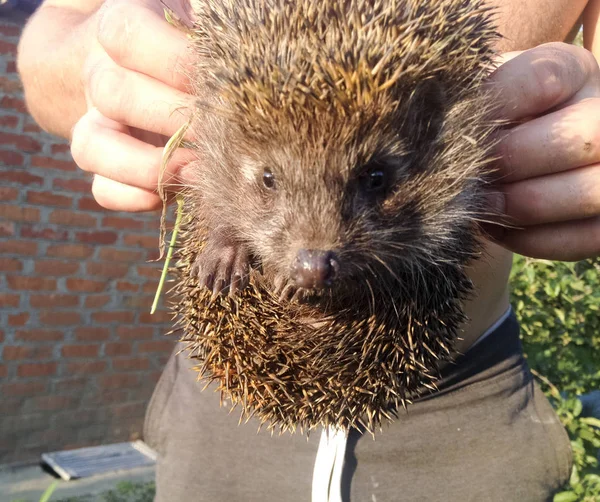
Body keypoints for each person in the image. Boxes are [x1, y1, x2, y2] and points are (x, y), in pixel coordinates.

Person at [17, 0, 600, 500]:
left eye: (374, 180)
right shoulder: (226, 148)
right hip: (209, 404)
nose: (314, 256)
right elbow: (51, 35)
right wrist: (96, 60)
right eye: (268, 183)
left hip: (464, 398)